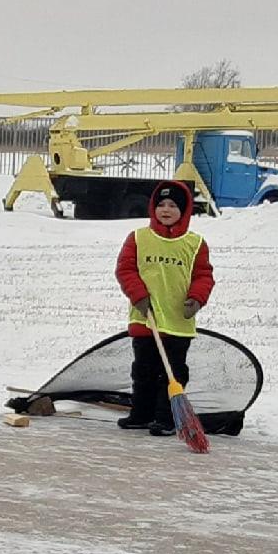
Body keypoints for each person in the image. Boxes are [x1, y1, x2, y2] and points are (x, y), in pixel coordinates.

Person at [113, 180, 215, 436]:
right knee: (143, 371)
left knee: (172, 373)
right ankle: (141, 414)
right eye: (161, 204)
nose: (166, 210)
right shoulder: (139, 238)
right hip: (145, 318)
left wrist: (196, 299)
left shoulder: (195, 244)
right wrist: (138, 296)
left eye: (172, 205)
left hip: (178, 323)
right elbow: (126, 269)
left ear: (185, 210)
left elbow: (204, 275)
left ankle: (166, 418)